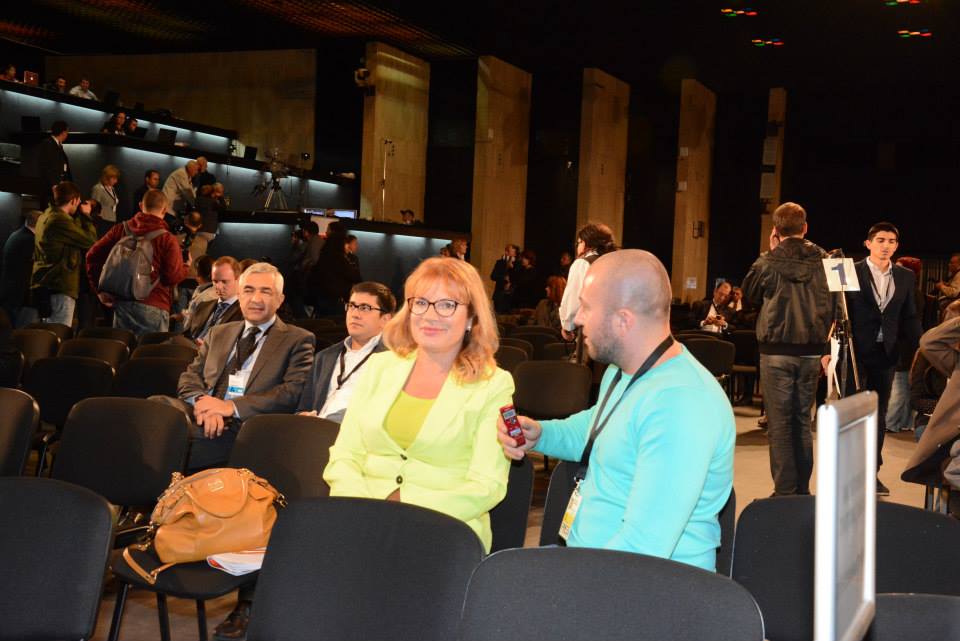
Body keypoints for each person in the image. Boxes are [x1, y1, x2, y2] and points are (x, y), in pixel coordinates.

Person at [498, 249, 734, 571]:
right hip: (597, 563)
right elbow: (598, 428)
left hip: (647, 585)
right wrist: (541, 434)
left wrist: (570, 581)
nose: (577, 318)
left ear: (624, 320)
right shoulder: (624, 370)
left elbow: (643, 549)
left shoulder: (680, 404)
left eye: (586, 307)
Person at [324, 257, 513, 552]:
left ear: (472, 318)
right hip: (362, 520)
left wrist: (403, 515)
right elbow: (345, 456)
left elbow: (486, 485)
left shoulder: (494, 384)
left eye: (447, 305)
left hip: (444, 531)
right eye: (421, 303)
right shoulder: (379, 367)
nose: (430, 315)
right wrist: (362, 510)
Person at [151, 262, 315, 470]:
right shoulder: (218, 332)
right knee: (156, 406)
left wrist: (230, 407)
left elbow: (292, 392)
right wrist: (203, 403)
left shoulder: (298, 339)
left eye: (265, 292)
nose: (255, 299)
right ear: (239, 294)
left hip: (243, 425)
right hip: (200, 413)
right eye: (248, 290)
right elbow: (190, 376)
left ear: (280, 300)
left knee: (162, 444)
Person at [742, 202, 833, 497]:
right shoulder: (826, 260)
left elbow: (749, 296)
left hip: (776, 350)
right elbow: (837, 306)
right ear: (805, 228)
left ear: (776, 231)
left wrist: (770, 252)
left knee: (780, 424)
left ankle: (784, 492)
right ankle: (802, 491)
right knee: (802, 421)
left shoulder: (768, 261)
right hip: (811, 350)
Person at [839, 222, 921, 494]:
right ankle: (846, 473)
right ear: (868, 243)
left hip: (886, 353)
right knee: (850, 413)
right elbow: (835, 312)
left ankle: (871, 474)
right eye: (881, 240)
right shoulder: (849, 270)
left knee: (878, 416)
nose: (886, 245)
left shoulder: (905, 276)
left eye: (891, 241)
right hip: (853, 352)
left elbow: (909, 316)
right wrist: (828, 351)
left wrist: (922, 349)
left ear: (897, 246)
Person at [86, 189, 191, 336]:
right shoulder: (167, 239)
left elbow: (91, 256)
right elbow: (171, 277)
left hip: (123, 304)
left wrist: (99, 290)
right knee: (149, 350)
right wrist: (186, 267)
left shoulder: (120, 229)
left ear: (141, 205)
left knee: (123, 348)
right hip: (155, 305)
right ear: (165, 210)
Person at [298, 282, 396, 421]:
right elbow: (304, 407)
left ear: (385, 319)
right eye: (351, 306)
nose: (355, 314)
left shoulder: (394, 360)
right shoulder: (324, 357)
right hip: (318, 429)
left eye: (365, 308)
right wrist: (303, 416)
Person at [30, 182, 98, 326]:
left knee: (48, 332)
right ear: (73, 200)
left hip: (47, 283)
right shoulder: (60, 220)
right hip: (59, 285)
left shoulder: (46, 215)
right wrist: (86, 215)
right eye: (78, 201)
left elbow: (75, 233)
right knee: (58, 333)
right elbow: (90, 240)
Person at [559, 222, 617, 361]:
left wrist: (567, 326)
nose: (577, 247)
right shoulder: (614, 263)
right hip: (616, 332)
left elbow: (574, 301)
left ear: (586, 243)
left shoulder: (582, 263)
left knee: (586, 371)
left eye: (579, 242)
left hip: (591, 332)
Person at [182, 256, 243, 344]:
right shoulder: (203, 306)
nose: (218, 286)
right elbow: (187, 334)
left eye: (224, 281)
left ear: (238, 280)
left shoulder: (244, 313)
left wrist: (207, 347)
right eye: (215, 281)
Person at [0, 210, 42, 327]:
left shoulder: (15, 235)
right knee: (21, 331)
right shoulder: (30, 240)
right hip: (20, 295)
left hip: (9, 292)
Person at [309, 221, 360, 317]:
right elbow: (355, 277)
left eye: (328, 230)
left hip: (323, 295)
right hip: (335, 298)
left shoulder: (325, 253)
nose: (326, 232)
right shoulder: (342, 259)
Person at [288, 221, 323, 318]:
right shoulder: (320, 241)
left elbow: (314, 259)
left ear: (306, 232)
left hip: (309, 278)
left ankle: (303, 320)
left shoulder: (312, 243)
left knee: (298, 300)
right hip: (315, 280)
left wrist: (304, 264)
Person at [32, 121, 71, 193]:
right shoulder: (48, 143)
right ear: (63, 132)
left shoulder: (58, 145)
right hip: (51, 186)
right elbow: (46, 166)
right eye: (67, 132)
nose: (67, 134)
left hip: (58, 184)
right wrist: (54, 184)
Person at [490, 244, 519, 314]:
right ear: (506, 252)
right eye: (511, 252)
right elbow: (493, 276)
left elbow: (518, 278)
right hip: (500, 294)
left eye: (514, 253)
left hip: (512, 296)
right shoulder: (500, 263)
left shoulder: (517, 264)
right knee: (498, 316)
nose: (513, 255)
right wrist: (503, 277)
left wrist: (512, 269)